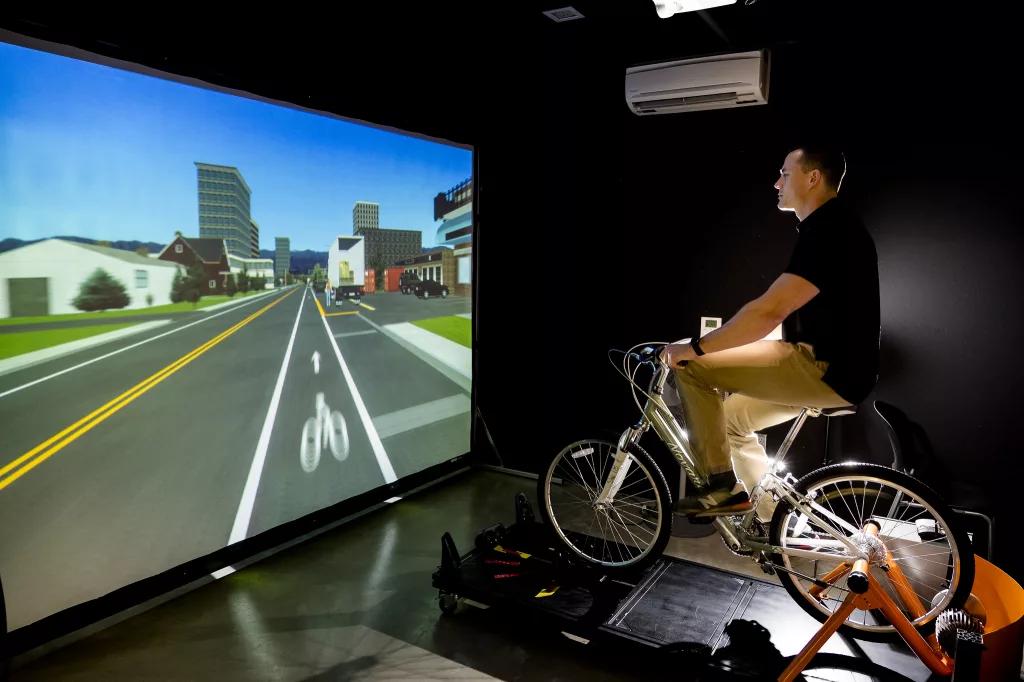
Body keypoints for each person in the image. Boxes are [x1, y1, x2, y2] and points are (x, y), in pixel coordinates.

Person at [659, 144, 880, 518]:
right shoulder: (832, 227)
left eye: (784, 173)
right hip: (836, 371)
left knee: (694, 369)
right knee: (729, 421)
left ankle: (721, 490)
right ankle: (773, 519)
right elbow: (789, 318)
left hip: (822, 367)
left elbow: (768, 311)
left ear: (813, 178)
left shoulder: (829, 231)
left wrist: (697, 349)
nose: (776, 182)